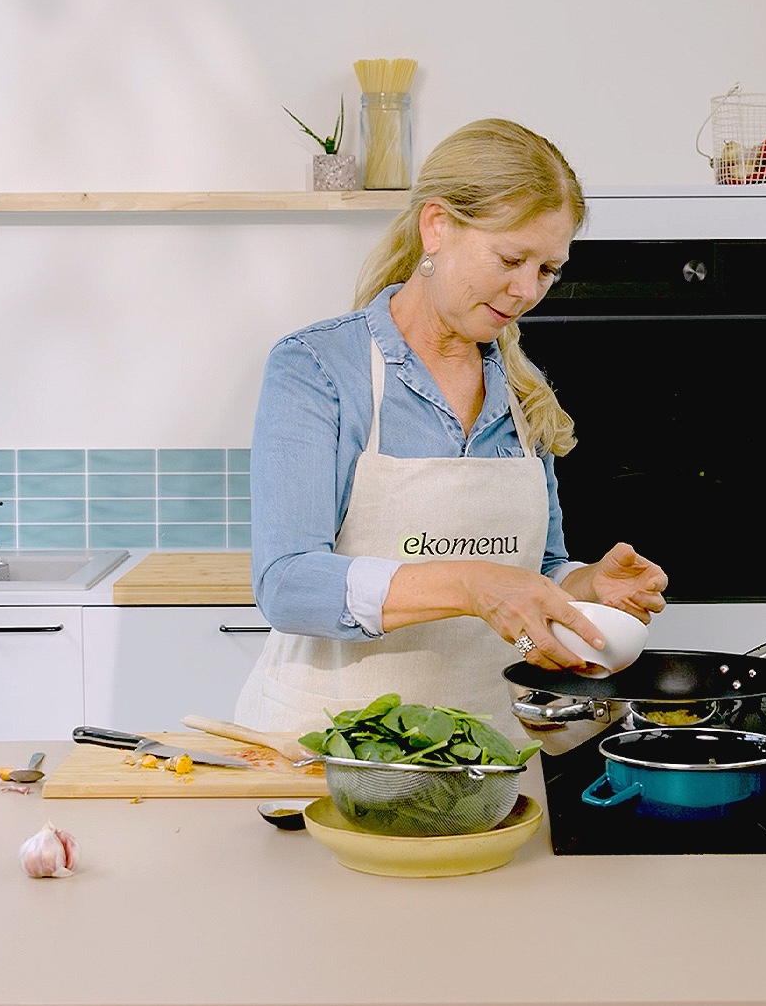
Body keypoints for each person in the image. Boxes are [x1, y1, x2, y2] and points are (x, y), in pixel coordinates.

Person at [232, 118, 667, 736]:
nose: (525, 291)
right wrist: (469, 585)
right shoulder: (320, 366)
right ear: (436, 225)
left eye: (547, 270)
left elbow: (536, 566)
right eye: (511, 258)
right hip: (330, 752)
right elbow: (288, 582)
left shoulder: (521, 392)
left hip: (489, 754)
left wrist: (585, 585)